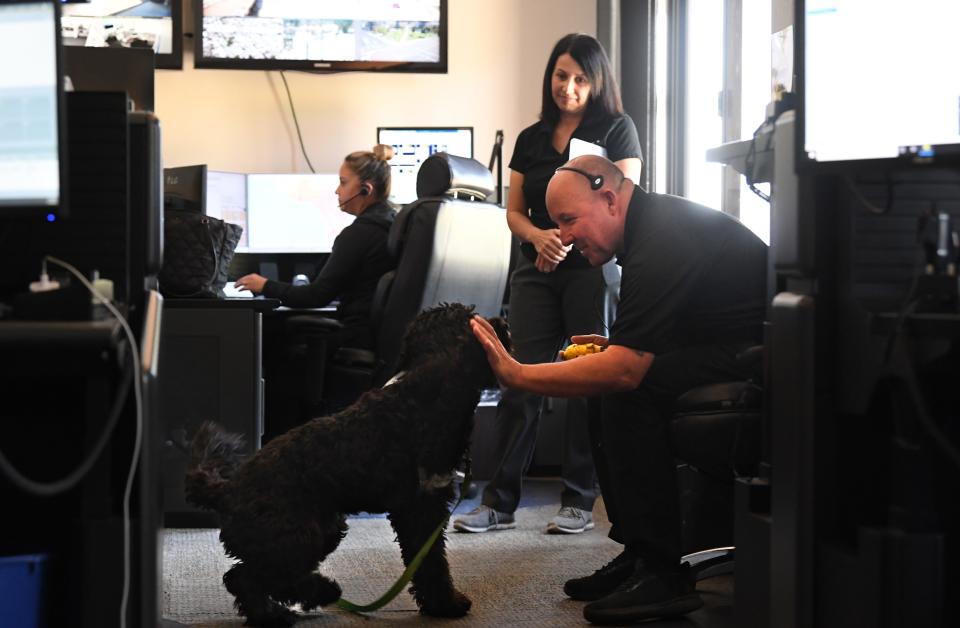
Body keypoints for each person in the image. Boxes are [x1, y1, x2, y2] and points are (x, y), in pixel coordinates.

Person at [469, 154, 767, 624]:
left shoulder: (661, 237)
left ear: (609, 197)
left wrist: (517, 374)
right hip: (723, 346)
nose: (563, 237)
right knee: (603, 374)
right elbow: (673, 330)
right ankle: (641, 552)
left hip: (759, 358)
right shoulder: (648, 227)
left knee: (624, 386)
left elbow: (627, 371)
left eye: (569, 220)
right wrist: (615, 346)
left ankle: (662, 575)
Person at [453, 33, 643, 536]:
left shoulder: (617, 129)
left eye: (581, 79)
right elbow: (513, 211)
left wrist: (568, 236)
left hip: (590, 270)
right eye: (561, 76)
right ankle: (499, 501)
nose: (569, 87)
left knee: (586, 381)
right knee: (520, 380)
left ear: (596, 81)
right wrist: (539, 236)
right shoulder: (532, 138)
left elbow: (621, 198)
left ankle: (580, 498)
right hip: (536, 271)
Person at [235, 145, 397, 431]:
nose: (337, 191)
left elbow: (315, 295)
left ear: (365, 189)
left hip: (354, 335)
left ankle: (273, 440)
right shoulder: (393, 225)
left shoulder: (359, 234)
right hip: (377, 337)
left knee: (271, 343)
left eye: (343, 182)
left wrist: (264, 285)